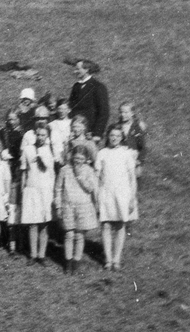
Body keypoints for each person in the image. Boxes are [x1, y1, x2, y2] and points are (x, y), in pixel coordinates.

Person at [96, 127, 138, 271]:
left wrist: (132, 198)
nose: (114, 138)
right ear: (107, 136)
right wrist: (96, 196)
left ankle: (117, 259)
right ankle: (108, 259)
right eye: (111, 135)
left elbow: (132, 178)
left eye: (117, 135)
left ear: (122, 137)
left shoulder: (126, 153)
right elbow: (97, 176)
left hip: (122, 193)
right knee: (106, 225)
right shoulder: (102, 153)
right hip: (106, 192)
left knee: (120, 225)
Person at [55, 144, 99, 274]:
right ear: (72, 156)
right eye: (76, 158)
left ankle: (76, 261)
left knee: (79, 235)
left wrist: (80, 176)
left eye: (81, 159)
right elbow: (58, 189)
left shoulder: (88, 170)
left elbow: (90, 188)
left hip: (83, 206)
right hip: (67, 205)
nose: (78, 161)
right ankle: (68, 261)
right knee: (69, 234)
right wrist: (58, 206)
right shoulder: (64, 170)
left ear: (86, 159)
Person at [21, 125, 55, 265]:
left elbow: (52, 172)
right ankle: (33, 254)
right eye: (39, 134)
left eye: (43, 135)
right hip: (31, 189)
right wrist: (23, 188)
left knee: (44, 223)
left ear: (47, 136)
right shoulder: (28, 149)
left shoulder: (50, 150)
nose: (40, 137)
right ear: (35, 135)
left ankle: (42, 254)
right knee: (33, 223)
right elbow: (24, 170)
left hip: (46, 190)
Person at [68, 60, 110, 139]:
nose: (75, 71)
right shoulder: (76, 86)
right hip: (75, 131)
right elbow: (71, 108)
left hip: (90, 132)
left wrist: (97, 133)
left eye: (78, 69)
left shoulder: (98, 86)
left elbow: (104, 112)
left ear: (86, 70)